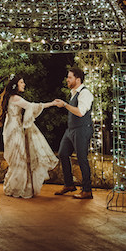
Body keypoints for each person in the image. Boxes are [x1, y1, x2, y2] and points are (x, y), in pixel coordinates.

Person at [0, 75, 59, 198]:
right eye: (21, 82)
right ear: (15, 85)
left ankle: (14, 186)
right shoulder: (15, 98)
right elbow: (32, 106)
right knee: (19, 159)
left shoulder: (11, 97)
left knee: (18, 159)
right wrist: (52, 103)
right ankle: (16, 187)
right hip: (14, 130)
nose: (24, 84)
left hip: (12, 128)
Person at [52, 67, 94, 199]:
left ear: (78, 79)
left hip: (82, 129)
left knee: (82, 158)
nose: (67, 79)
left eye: (69, 77)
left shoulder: (85, 93)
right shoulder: (74, 93)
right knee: (63, 154)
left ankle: (87, 190)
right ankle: (69, 184)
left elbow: (80, 112)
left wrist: (65, 105)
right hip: (71, 130)